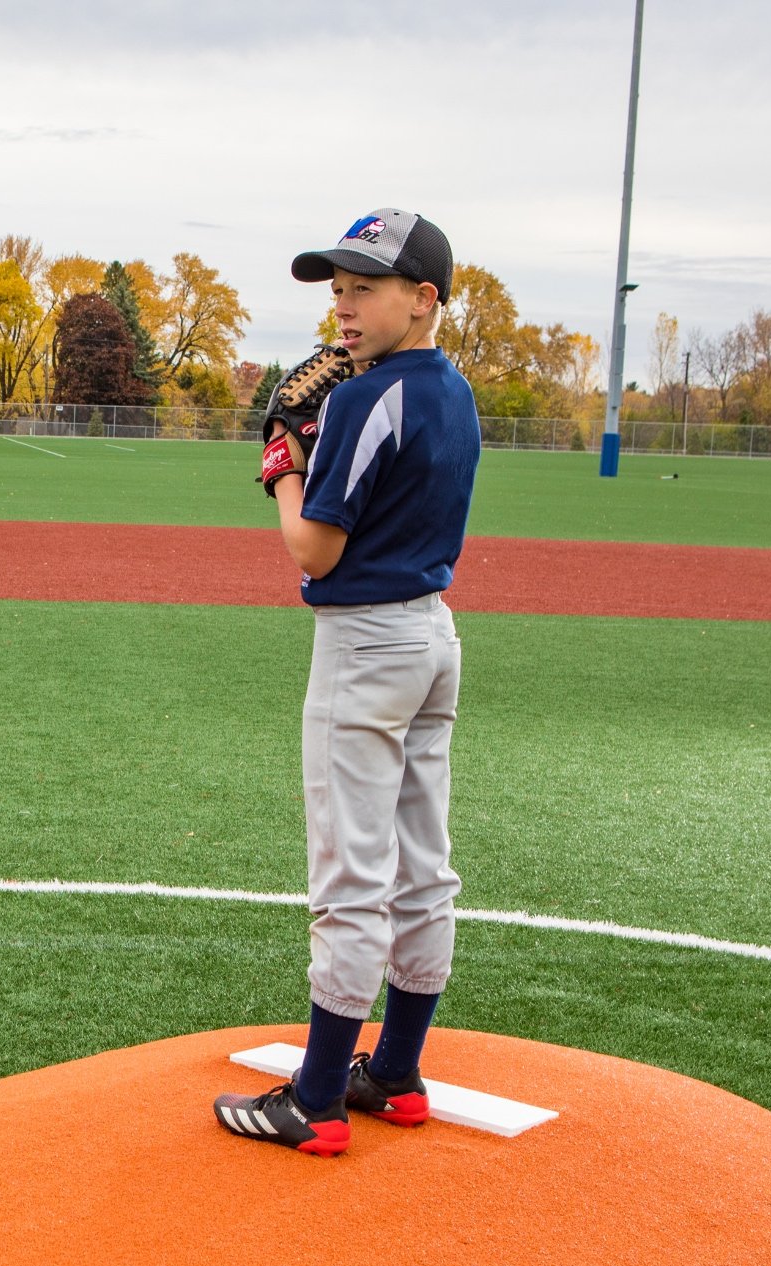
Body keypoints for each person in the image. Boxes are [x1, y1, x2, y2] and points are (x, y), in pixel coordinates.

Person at [211, 209, 481, 1157]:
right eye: (338, 290)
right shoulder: (454, 390)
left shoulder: (372, 400)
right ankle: (397, 1072)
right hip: (432, 637)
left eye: (365, 288)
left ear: (425, 299)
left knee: (350, 872)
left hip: (365, 647)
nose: (345, 308)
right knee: (422, 863)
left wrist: (285, 468)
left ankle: (318, 1096)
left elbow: (317, 549)